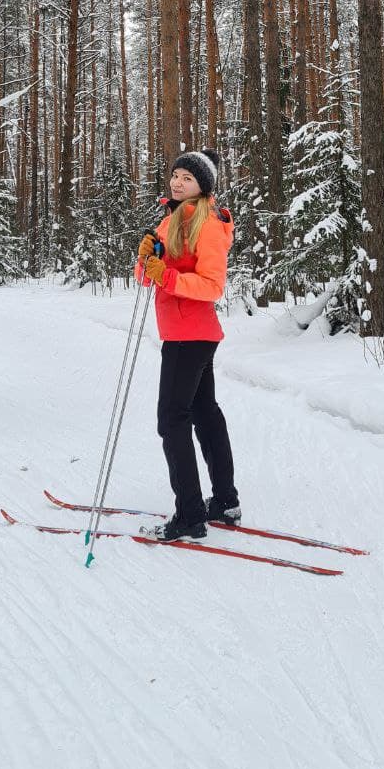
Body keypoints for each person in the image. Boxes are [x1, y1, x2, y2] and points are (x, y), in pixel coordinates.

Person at [134, 148, 241, 542]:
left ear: (203, 187)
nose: (178, 182)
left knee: (172, 419)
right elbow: (150, 280)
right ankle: (225, 502)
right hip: (187, 332)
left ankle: (190, 515)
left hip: (188, 334)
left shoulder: (208, 224)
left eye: (188, 179)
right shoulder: (172, 220)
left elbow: (212, 286)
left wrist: (167, 277)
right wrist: (145, 259)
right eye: (176, 174)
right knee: (203, 412)